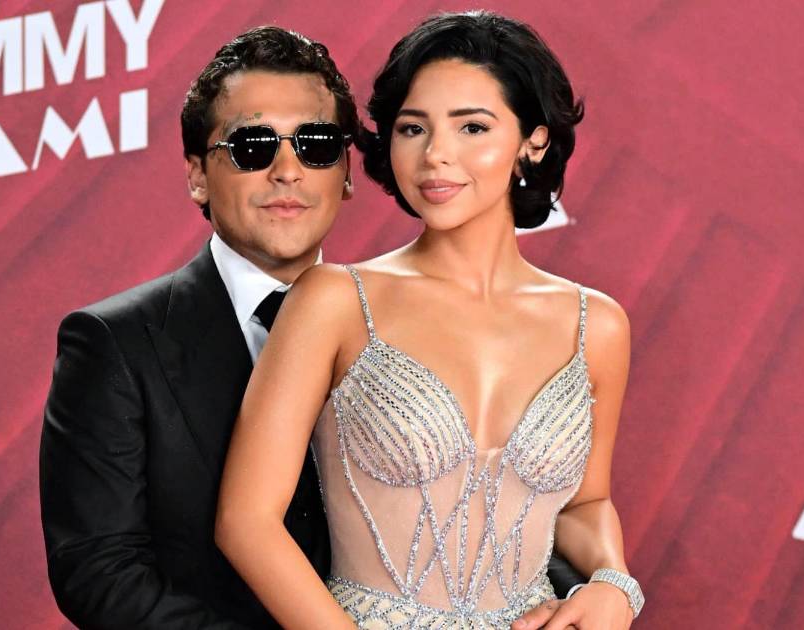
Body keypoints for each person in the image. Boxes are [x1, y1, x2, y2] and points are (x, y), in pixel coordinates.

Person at [215, 11, 642, 630]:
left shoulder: (595, 325)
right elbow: (246, 522)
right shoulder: (335, 301)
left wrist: (613, 582)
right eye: (413, 128)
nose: (436, 155)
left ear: (534, 141)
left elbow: (586, 501)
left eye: (472, 127)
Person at [38, 26, 355, 628]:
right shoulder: (113, 342)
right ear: (197, 176)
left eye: (315, 144)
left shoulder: (402, 324)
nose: (287, 170)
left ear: (345, 172)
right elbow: (99, 570)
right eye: (253, 146)